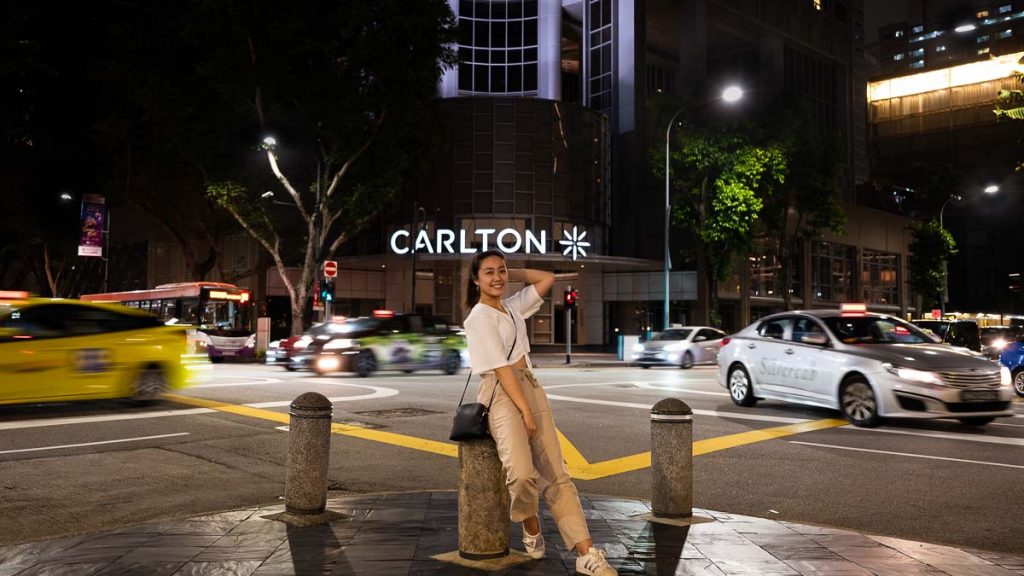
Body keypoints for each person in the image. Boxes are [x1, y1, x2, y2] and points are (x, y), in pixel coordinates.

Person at [462, 249, 617, 576]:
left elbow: (546, 279)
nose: (497, 278)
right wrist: (526, 413)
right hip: (501, 394)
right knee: (520, 474)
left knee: (557, 474)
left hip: (530, 385)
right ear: (475, 280)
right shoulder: (477, 318)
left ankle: (586, 554)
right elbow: (502, 370)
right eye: (488, 272)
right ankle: (530, 525)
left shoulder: (512, 306)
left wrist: (511, 271)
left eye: (500, 271)